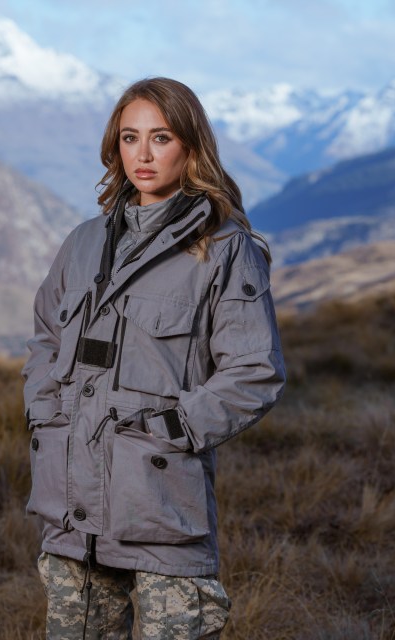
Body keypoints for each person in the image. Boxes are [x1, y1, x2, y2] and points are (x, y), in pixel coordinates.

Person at [22, 77, 286, 639]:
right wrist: (46, 413)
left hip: (158, 503)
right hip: (71, 507)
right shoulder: (84, 241)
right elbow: (45, 335)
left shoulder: (222, 248)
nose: (142, 154)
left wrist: (172, 428)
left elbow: (254, 372)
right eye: (129, 137)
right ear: (113, 147)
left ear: (190, 146)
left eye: (160, 137)